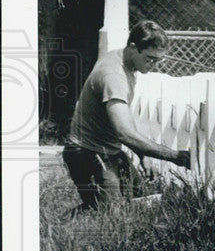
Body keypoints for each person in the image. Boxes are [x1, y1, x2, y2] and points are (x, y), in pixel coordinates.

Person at [62, 20, 190, 211]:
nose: (154, 65)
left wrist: (143, 155)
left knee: (142, 200)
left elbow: (124, 119)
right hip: (86, 152)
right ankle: (61, 224)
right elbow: (124, 133)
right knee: (108, 215)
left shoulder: (122, 60)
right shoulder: (114, 75)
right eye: (150, 59)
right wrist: (175, 156)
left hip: (109, 150)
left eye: (158, 60)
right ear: (133, 47)